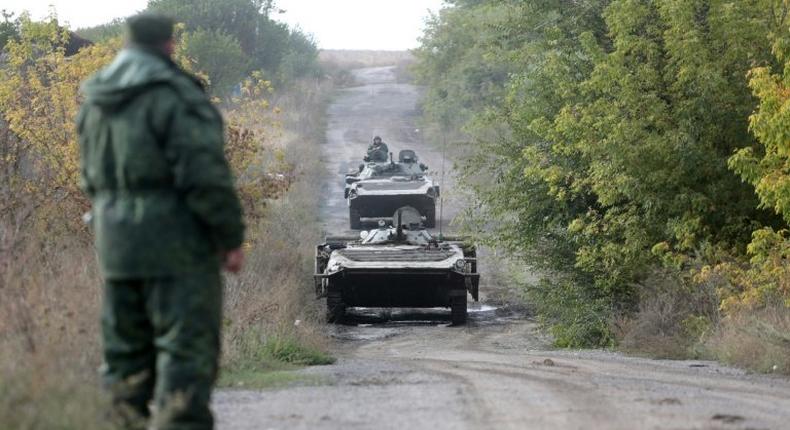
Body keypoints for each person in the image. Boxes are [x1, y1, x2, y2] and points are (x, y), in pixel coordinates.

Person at [77, 13, 245, 430]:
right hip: (178, 246)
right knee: (184, 351)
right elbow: (204, 174)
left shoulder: (97, 98)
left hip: (115, 245)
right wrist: (229, 236)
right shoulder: (175, 95)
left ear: (126, 44)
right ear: (169, 45)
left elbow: (89, 178)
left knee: (124, 359)